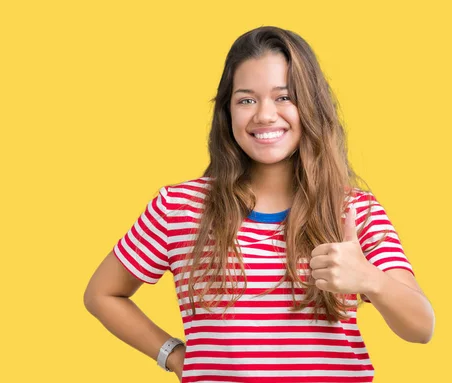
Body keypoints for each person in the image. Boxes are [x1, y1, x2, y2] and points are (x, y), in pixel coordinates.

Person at [83, 26, 435, 383]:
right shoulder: (179, 207)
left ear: (311, 105)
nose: (265, 115)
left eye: (284, 97)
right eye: (246, 99)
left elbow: (421, 327)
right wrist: (174, 356)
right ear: (227, 112)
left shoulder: (353, 211)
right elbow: (101, 294)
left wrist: (370, 279)